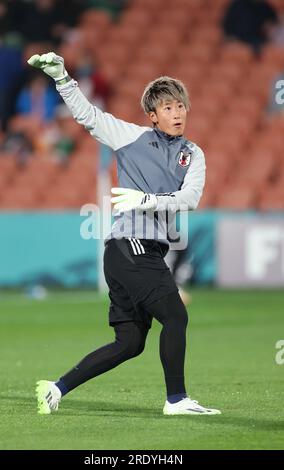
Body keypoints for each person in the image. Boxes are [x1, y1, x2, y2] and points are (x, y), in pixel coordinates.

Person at [28, 52, 221, 416]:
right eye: (167, 107)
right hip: (130, 246)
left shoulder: (193, 153)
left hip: (129, 252)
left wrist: (146, 199)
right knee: (176, 316)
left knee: (130, 342)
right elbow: (88, 116)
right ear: (153, 115)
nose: (177, 113)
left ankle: (56, 388)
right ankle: (176, 401)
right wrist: (62, 78)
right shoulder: (130, 137)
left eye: (181, 106)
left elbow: (190, 199)